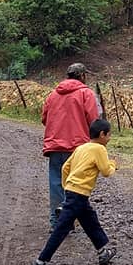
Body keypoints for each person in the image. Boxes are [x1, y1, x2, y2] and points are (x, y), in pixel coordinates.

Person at [30, 118, 118, 265]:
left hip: (75, 193)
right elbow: (106, 171)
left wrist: (67, 187)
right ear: (102, 134)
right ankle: (41, 262)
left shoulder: (81, 148)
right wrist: (113, 165)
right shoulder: (99, 149)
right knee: (62, 228)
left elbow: (65, 168)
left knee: (91, 221)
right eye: (109, 135)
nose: (110, 138)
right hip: (79, 194)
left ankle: (103, 251)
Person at [42, 63, 101, 229]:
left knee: (56, 183)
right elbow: (94, 121)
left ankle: (57, 222)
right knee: (76, 185)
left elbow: (44, 118)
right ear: (82, 76)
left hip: (54, 145)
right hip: (78, 147)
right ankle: (69, 220)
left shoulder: (53, 95)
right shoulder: (86, 93)